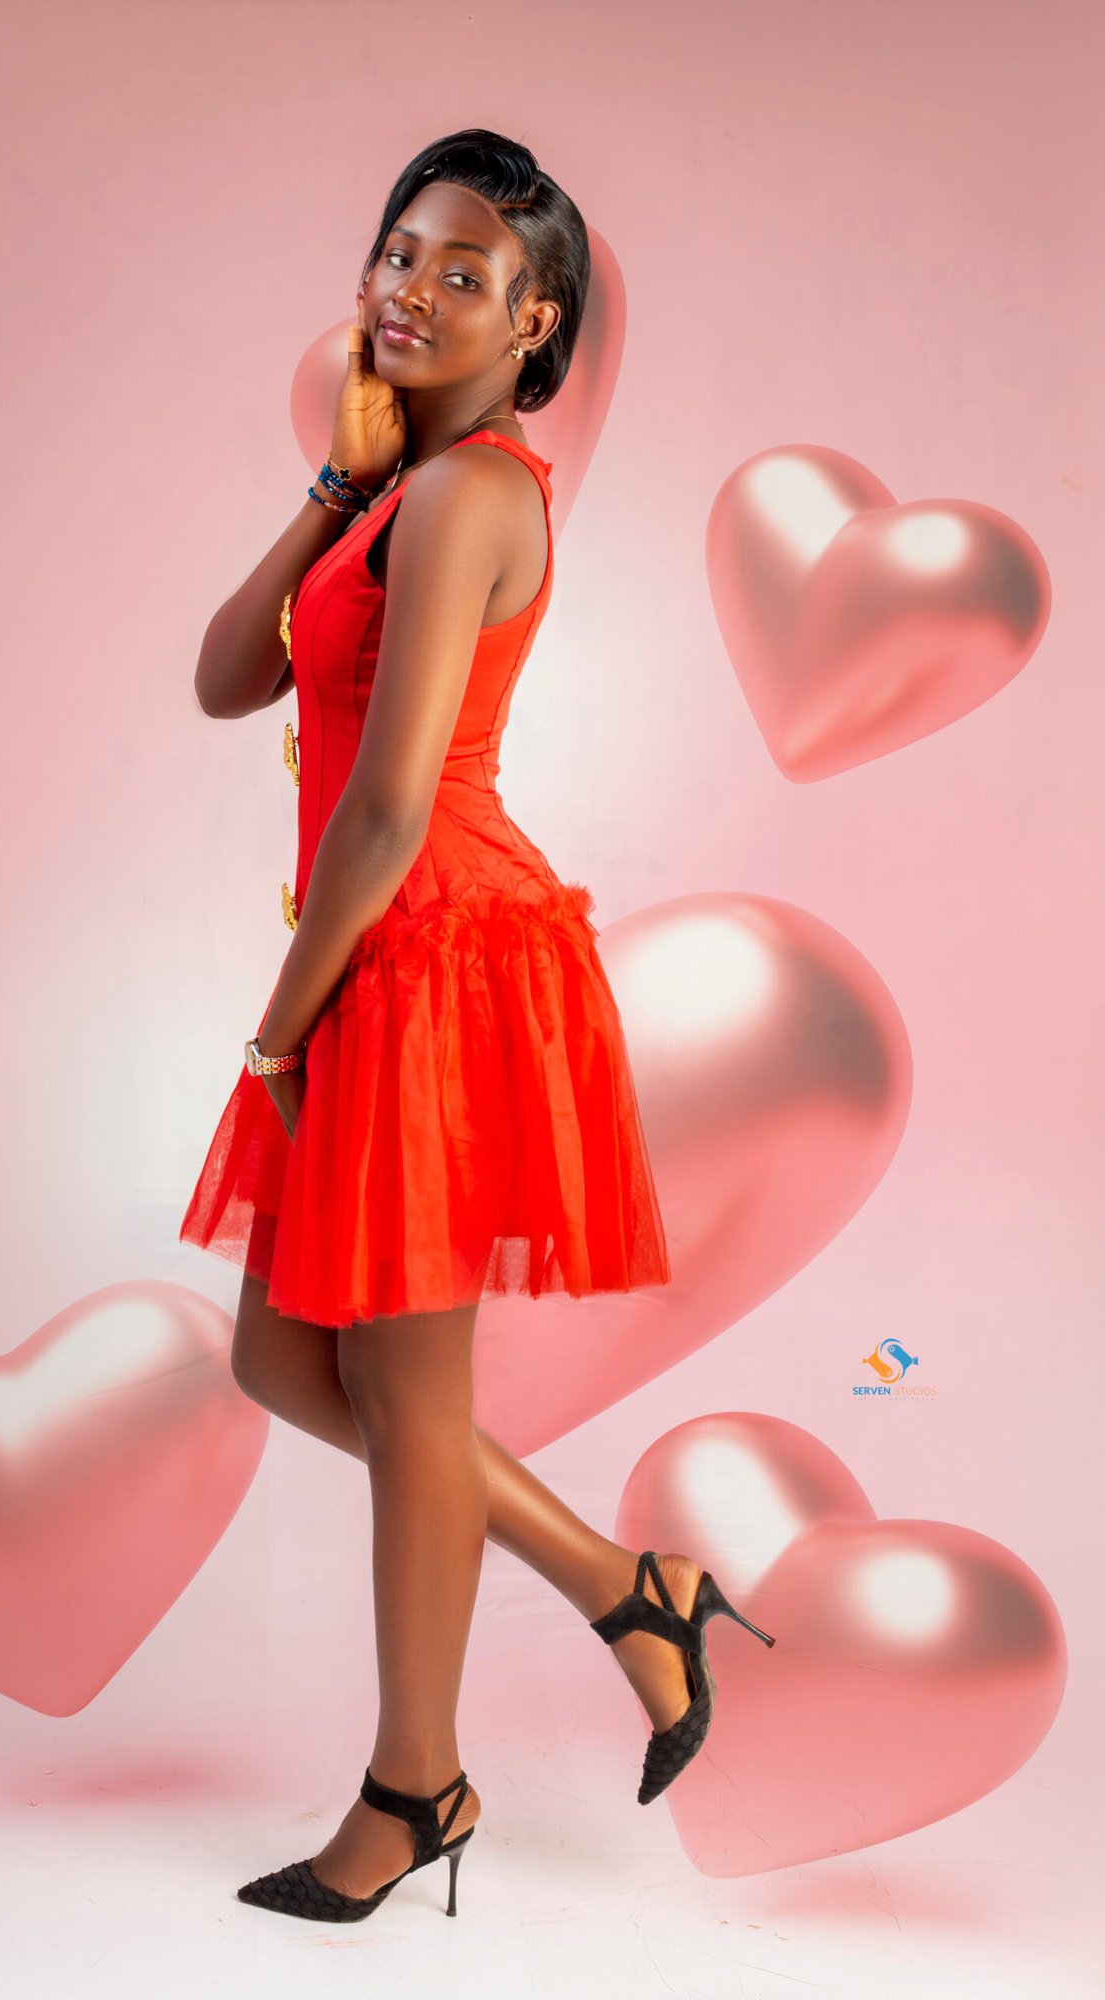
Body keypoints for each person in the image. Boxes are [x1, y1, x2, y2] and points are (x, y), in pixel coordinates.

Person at [179, 129, 772, 1923]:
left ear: (537, 329)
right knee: (289, 1365)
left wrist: (277, 1035)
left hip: (431, 957)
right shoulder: (399, 491)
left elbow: (383, 807)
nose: (412, 291)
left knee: (404, 1395)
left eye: (465, 275)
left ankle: (414, 1785)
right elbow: (225, 677)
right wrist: (330, 481)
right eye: (399, 253)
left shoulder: (476, 498)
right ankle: (625, 1589)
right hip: (387, 946)